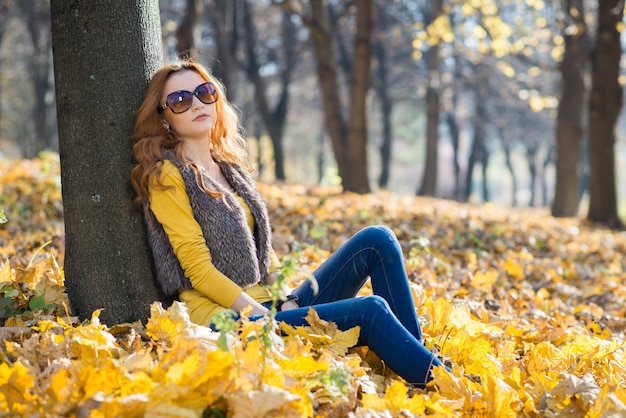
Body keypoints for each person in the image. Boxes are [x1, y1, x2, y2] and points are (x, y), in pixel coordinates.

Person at [130, 60, 447, 388]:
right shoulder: (167, 175)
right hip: (227, 321)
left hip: (271, 305)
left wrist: (285, 298)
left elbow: (264, 250)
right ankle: (447, 382)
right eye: (181, 100)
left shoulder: (229, 167)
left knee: (377, 240)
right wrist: (258, 314)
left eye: (204, 92)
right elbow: (198, 269)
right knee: (370, 310)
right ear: (164, 119)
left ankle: (420, 361)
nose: (196, 103)